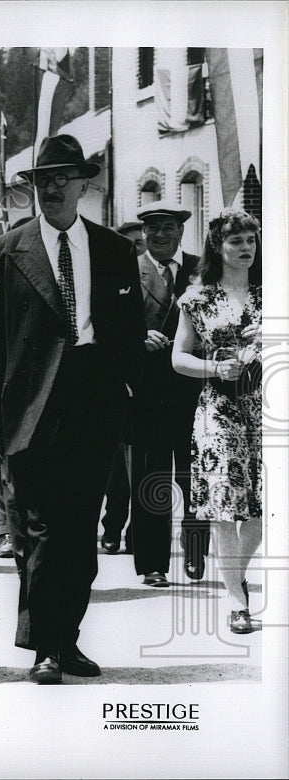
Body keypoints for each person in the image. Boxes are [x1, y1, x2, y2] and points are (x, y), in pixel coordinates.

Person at [0, 135, 145, 684]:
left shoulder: (116, 250)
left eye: (62, 179)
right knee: (42, 528)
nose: (51, 188)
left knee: (78, 532)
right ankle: (47, 645)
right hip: (30, 407)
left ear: (83, 185)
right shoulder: (6, 250)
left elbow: (131, 335)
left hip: (94, 403)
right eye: (42, 180)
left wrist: (129, 402)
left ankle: (65, 641)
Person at [172, 209, 262, 634]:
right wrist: (213, 367)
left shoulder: (273, 292)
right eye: (236, 241)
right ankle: (236, 601)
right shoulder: (197, 299)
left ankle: (233, 572)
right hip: (218, 410)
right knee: (225, 506)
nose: (245, 248)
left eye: (250, 240)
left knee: (267, 508)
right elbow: (179, 358)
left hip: (265, 408)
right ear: (218, 247)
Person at [127, 203, 204, 586]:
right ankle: (153, 563)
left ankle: (194, 553)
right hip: (149, 393)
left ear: (181, 232)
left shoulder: (202, 269)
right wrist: (137, 338)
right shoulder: (129, 269)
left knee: (195, 476)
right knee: (151, 478)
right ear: (143, 234)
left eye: (168, 227)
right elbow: (114, 322)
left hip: (195, 391)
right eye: (152, 228)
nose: (160, 235)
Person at [98, 221, 146, 556]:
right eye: (132, 244)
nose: (138, 249)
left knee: (136, 468)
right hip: (111, 385)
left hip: (144, 385)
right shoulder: (109, 281)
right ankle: (113, 526)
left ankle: (132, 530)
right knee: (115, 469)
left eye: (140, 243)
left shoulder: (158, 279)